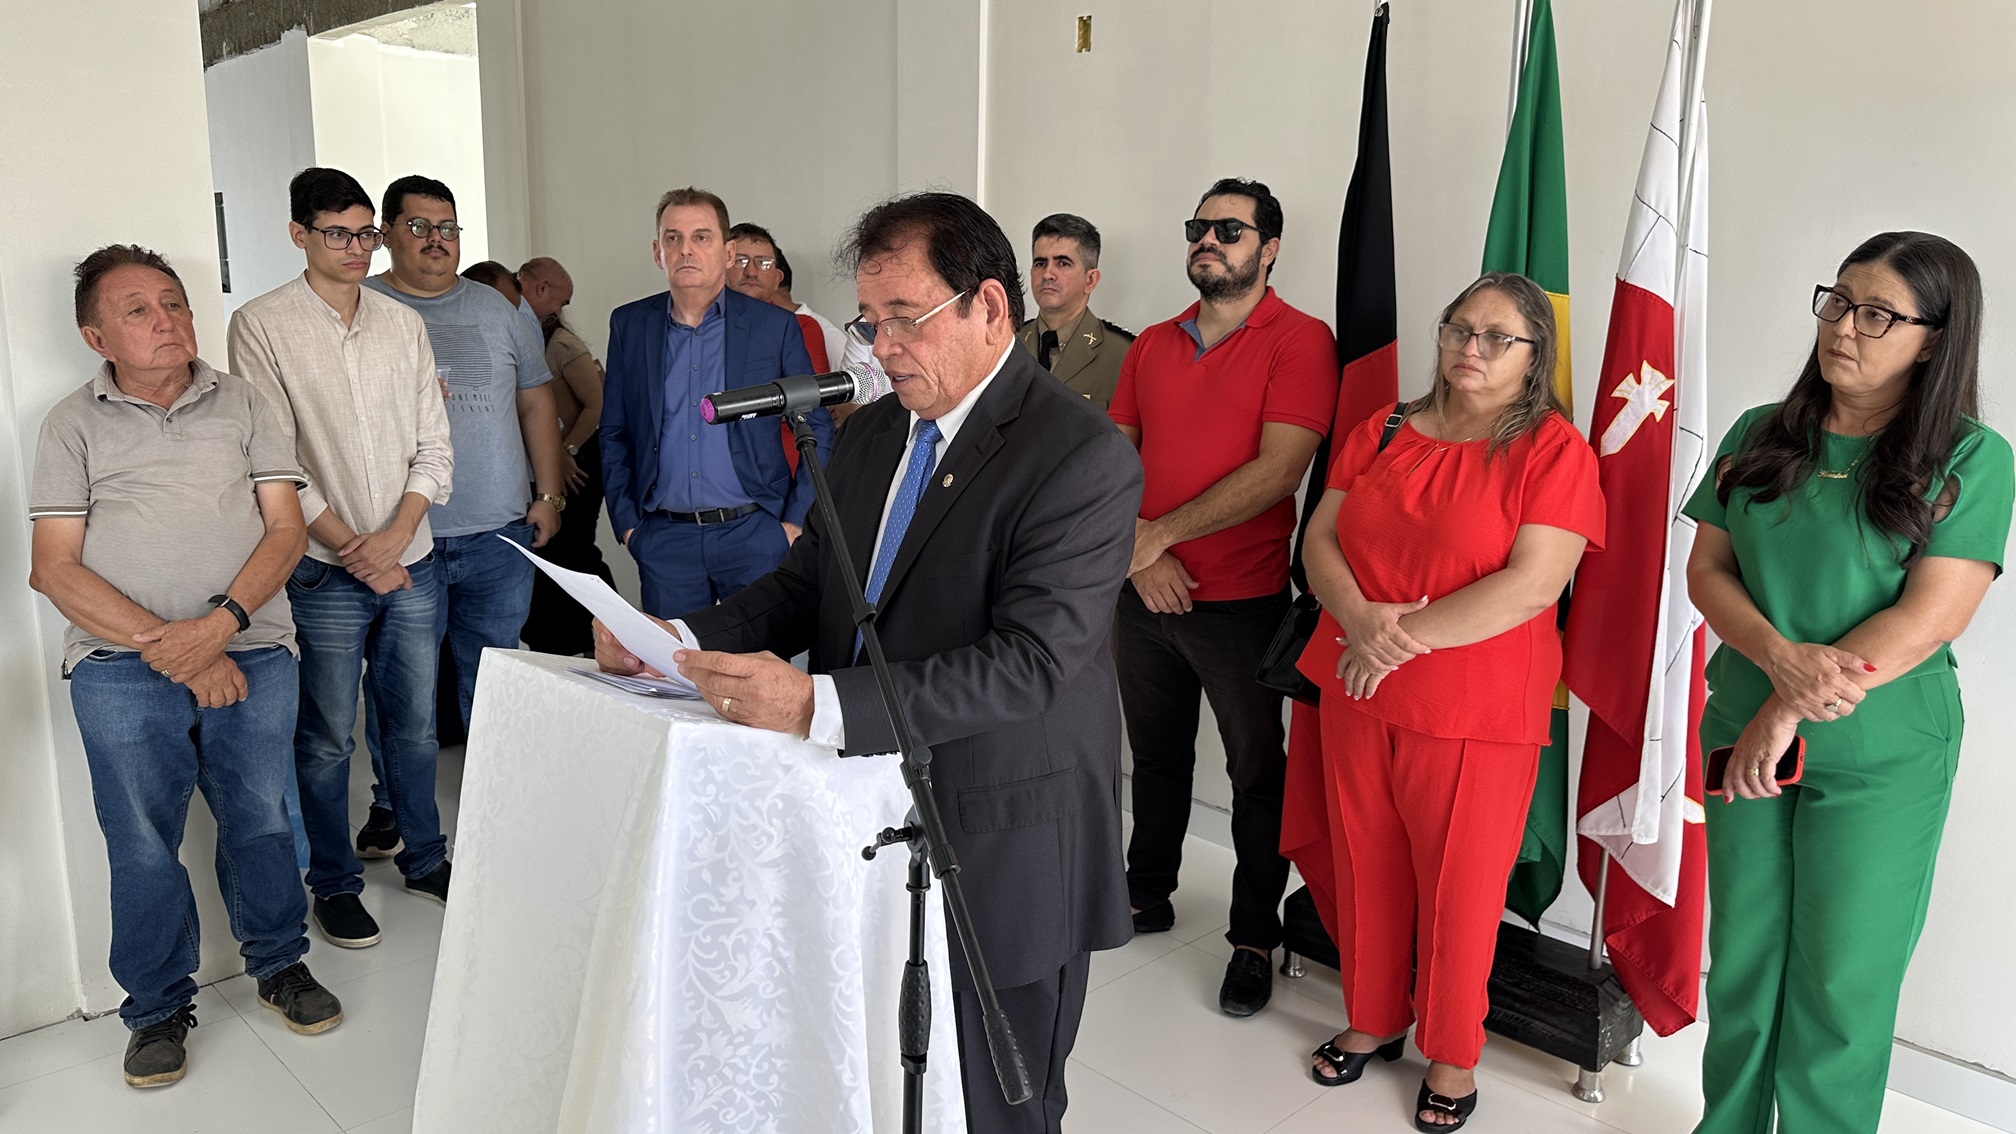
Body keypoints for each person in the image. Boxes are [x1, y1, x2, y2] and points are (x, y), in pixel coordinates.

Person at [595, 192, 1140, 1133]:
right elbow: (810, 581)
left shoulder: (1078, 454)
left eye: (906, 319)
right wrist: (681, 638)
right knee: (881, 1076)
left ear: (990, 307)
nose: (882, 348)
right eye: (870, 321)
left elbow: (1029, 663)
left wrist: (818, 704)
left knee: (999, 1099)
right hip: (866, 815)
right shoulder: (877, 431)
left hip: (1004, 830)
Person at [1682, 232, 2011, 1134]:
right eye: (1837, 301)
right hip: (1743, 726)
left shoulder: (1972, 457)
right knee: (1743, 960)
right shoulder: (1761, 432)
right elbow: (1708, 571)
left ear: (1935, 340)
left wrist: (1787, 705)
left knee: (1841, 980)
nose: (1843, 328)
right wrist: (1777, 662)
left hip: (1880, 751)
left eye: (1877, 315)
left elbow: (1932, 617)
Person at [1289, 272, 1602, 1130]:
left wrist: (1393, 640)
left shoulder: (1553, 451)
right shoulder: (1385, 427)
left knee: (1460, 888)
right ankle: (1372, 1015)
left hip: (1473, 705)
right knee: (1364, 862)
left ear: (1535, 355)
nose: (1472, 347)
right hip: (1357, 682)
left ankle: (1454, 1050)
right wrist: (1361, 621)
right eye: (1460, 328)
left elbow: (1533, 586)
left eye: (1499, 337)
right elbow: (1321, 536)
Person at [29, 245, 343, 1088]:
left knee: (263, 820)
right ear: (97, 337)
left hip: (254, 650)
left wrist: (219, 628)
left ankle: (279, 963)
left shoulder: (246, 402)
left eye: (173, 302)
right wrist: (180, 650)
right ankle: (156, 1009)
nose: (165, 319)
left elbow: (286, 529)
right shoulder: (71, 423)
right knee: (140, 843)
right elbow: (53, 569)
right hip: (119, 668)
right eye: (137, 309)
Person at [1107, 177, 1337, 1017]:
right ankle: (1145, 893)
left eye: (1229, 230)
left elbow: (1281, 471)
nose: (1208, 240)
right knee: (1155, 756)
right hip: (1142, 594)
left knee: (1256, 776)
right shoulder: (1152, 343)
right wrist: (1140, 556)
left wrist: (1157, 536)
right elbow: (1113, 460)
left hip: (1242, 602)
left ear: (1268, 249)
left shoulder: (1301, 340)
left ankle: (1252, 937)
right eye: (1199, 227)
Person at [229, 166, 456, 949]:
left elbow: (434, 445)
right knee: (327, 736)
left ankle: (425, 858)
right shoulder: (261, 325)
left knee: (415, 728)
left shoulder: (403, 324)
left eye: (366, 235)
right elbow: (275, 460)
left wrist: (395, 537)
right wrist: (355, 548)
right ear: (299, 234)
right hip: (324, 572)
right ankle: (334, 882)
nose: (357, 249)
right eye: (338, 234)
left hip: (412, 558)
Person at [359, 176, 566, 832]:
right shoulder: (362, 304)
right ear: (386, 234)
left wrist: (548, 493)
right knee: (400, 686)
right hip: (402, 539)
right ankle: (392, 805)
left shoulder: (499, 310)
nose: (436, 240)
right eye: (418, 227)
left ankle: (495, 807)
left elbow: (535, 403)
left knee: (495, 679)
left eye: (447, 228)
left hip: (497, 533)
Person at [599, 187, 833, 618]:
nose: (686, 249)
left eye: (701, 237)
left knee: (762, 657)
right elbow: (615, 430)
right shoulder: (630, 325)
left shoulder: (774, 327)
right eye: (673, 238)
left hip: (756, 532)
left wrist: (793, 523)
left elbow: (815, 425)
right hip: (665, 539)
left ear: (727, 253)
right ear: (657, 252)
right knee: (674, 660)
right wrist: (629, 525)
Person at [516, 255, 616, 656]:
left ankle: (608, 635)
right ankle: (556, 641)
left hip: (581, 459)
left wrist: (567, 450)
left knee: (574, 551)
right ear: (541, 289)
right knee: (552, 553)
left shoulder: (563, 345)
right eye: (562, 300)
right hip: (553, 456)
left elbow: (597, 405)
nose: (561, 309)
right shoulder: (528, 338)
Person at [1014, 213, 1133, 408]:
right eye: (1040, 263)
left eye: (1063, 263)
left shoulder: (1124, 354)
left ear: (1090, 280)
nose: (1047, 274)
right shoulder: (1007, 344)